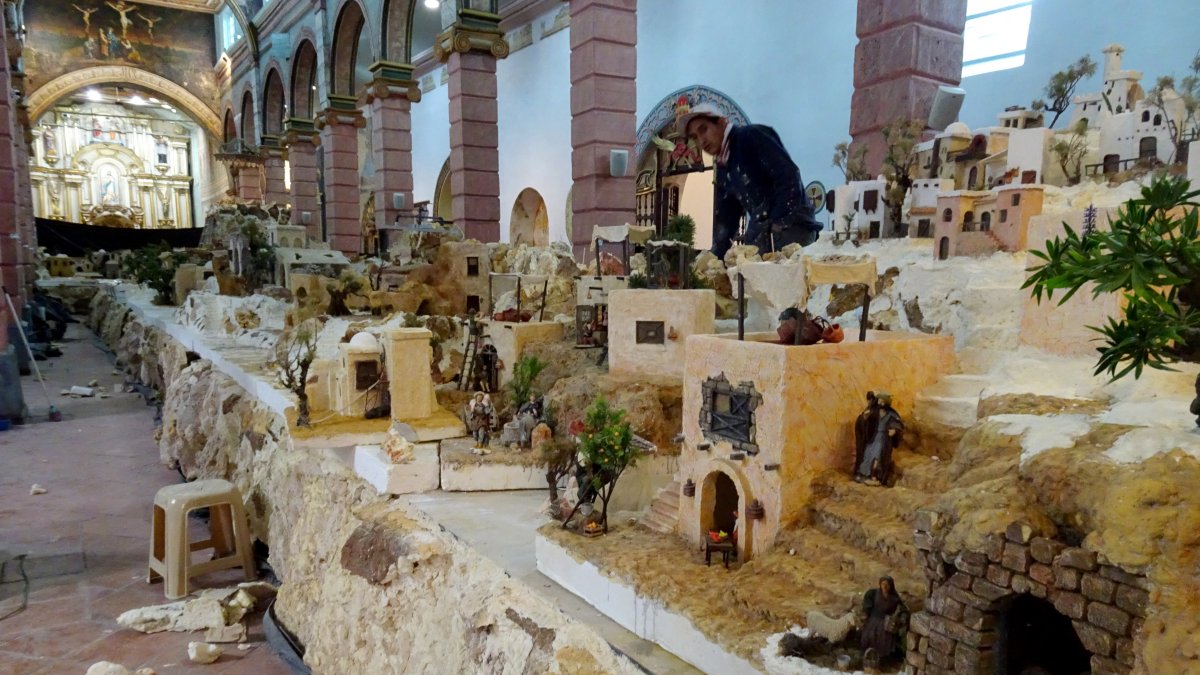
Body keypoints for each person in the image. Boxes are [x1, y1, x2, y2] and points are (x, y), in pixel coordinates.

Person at [678, 103, 822, 259]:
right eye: (695, 137)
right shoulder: (722, 168)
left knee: (787, 278)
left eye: (703, 129)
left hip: (793, 227)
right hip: (763, 232)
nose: (701, 141)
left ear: (721, 122)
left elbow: (788, 177)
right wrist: (713, 257)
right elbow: (728, 218)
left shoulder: (751, 137)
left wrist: (778, 224)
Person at [861, 576, 908, 666]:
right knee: (869, 636)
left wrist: (902, 619)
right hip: (873, 621)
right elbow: (867, 607)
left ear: (891, 586)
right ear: (880, 585)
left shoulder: (894, 598)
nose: (885, 587)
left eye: (887, 585)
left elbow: (903, 610)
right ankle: (868, 659)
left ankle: (882, 660)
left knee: (885, 640)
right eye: (883, 584)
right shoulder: (874, 594)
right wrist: (865, 615)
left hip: (886, 623)